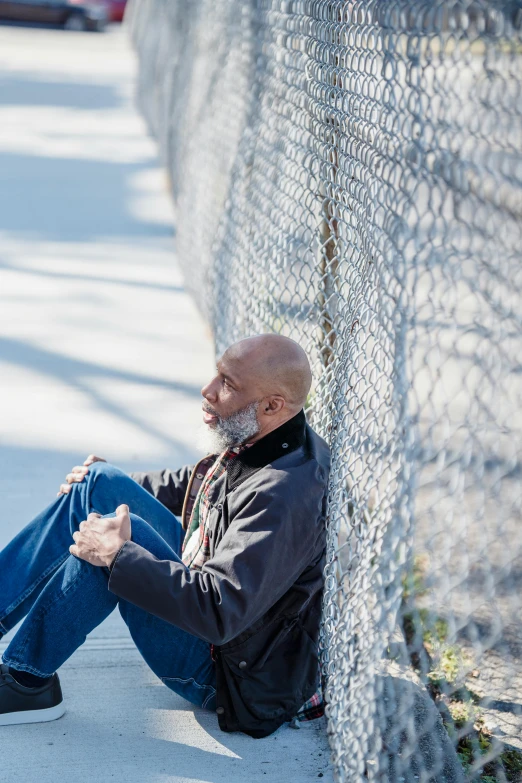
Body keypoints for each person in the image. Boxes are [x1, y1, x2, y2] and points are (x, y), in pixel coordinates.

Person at [0, 334, 330, 737]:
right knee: (99, 482)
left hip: (227, 673)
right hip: (205, 582)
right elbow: (204, 481)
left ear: (271, 405)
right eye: (217, 374)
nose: (208, 390)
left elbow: (219, 612)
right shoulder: (269, 434)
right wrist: (124, 485)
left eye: (227, 384)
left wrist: (119, 556)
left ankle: (25, 682)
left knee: (120, 539)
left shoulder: (283, 496)